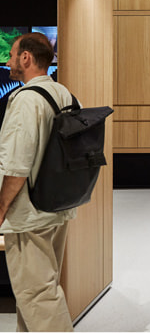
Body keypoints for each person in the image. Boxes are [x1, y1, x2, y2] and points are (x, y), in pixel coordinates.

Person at [0, 33, 76, 331]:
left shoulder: (25, 101)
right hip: (58, 205)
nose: (7, 61)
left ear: (26, 58)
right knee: (35, 291)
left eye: (11, 55)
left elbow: (17, 166)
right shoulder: (64, 94)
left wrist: (2, 207)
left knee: (38, 295)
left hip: (29, 213)